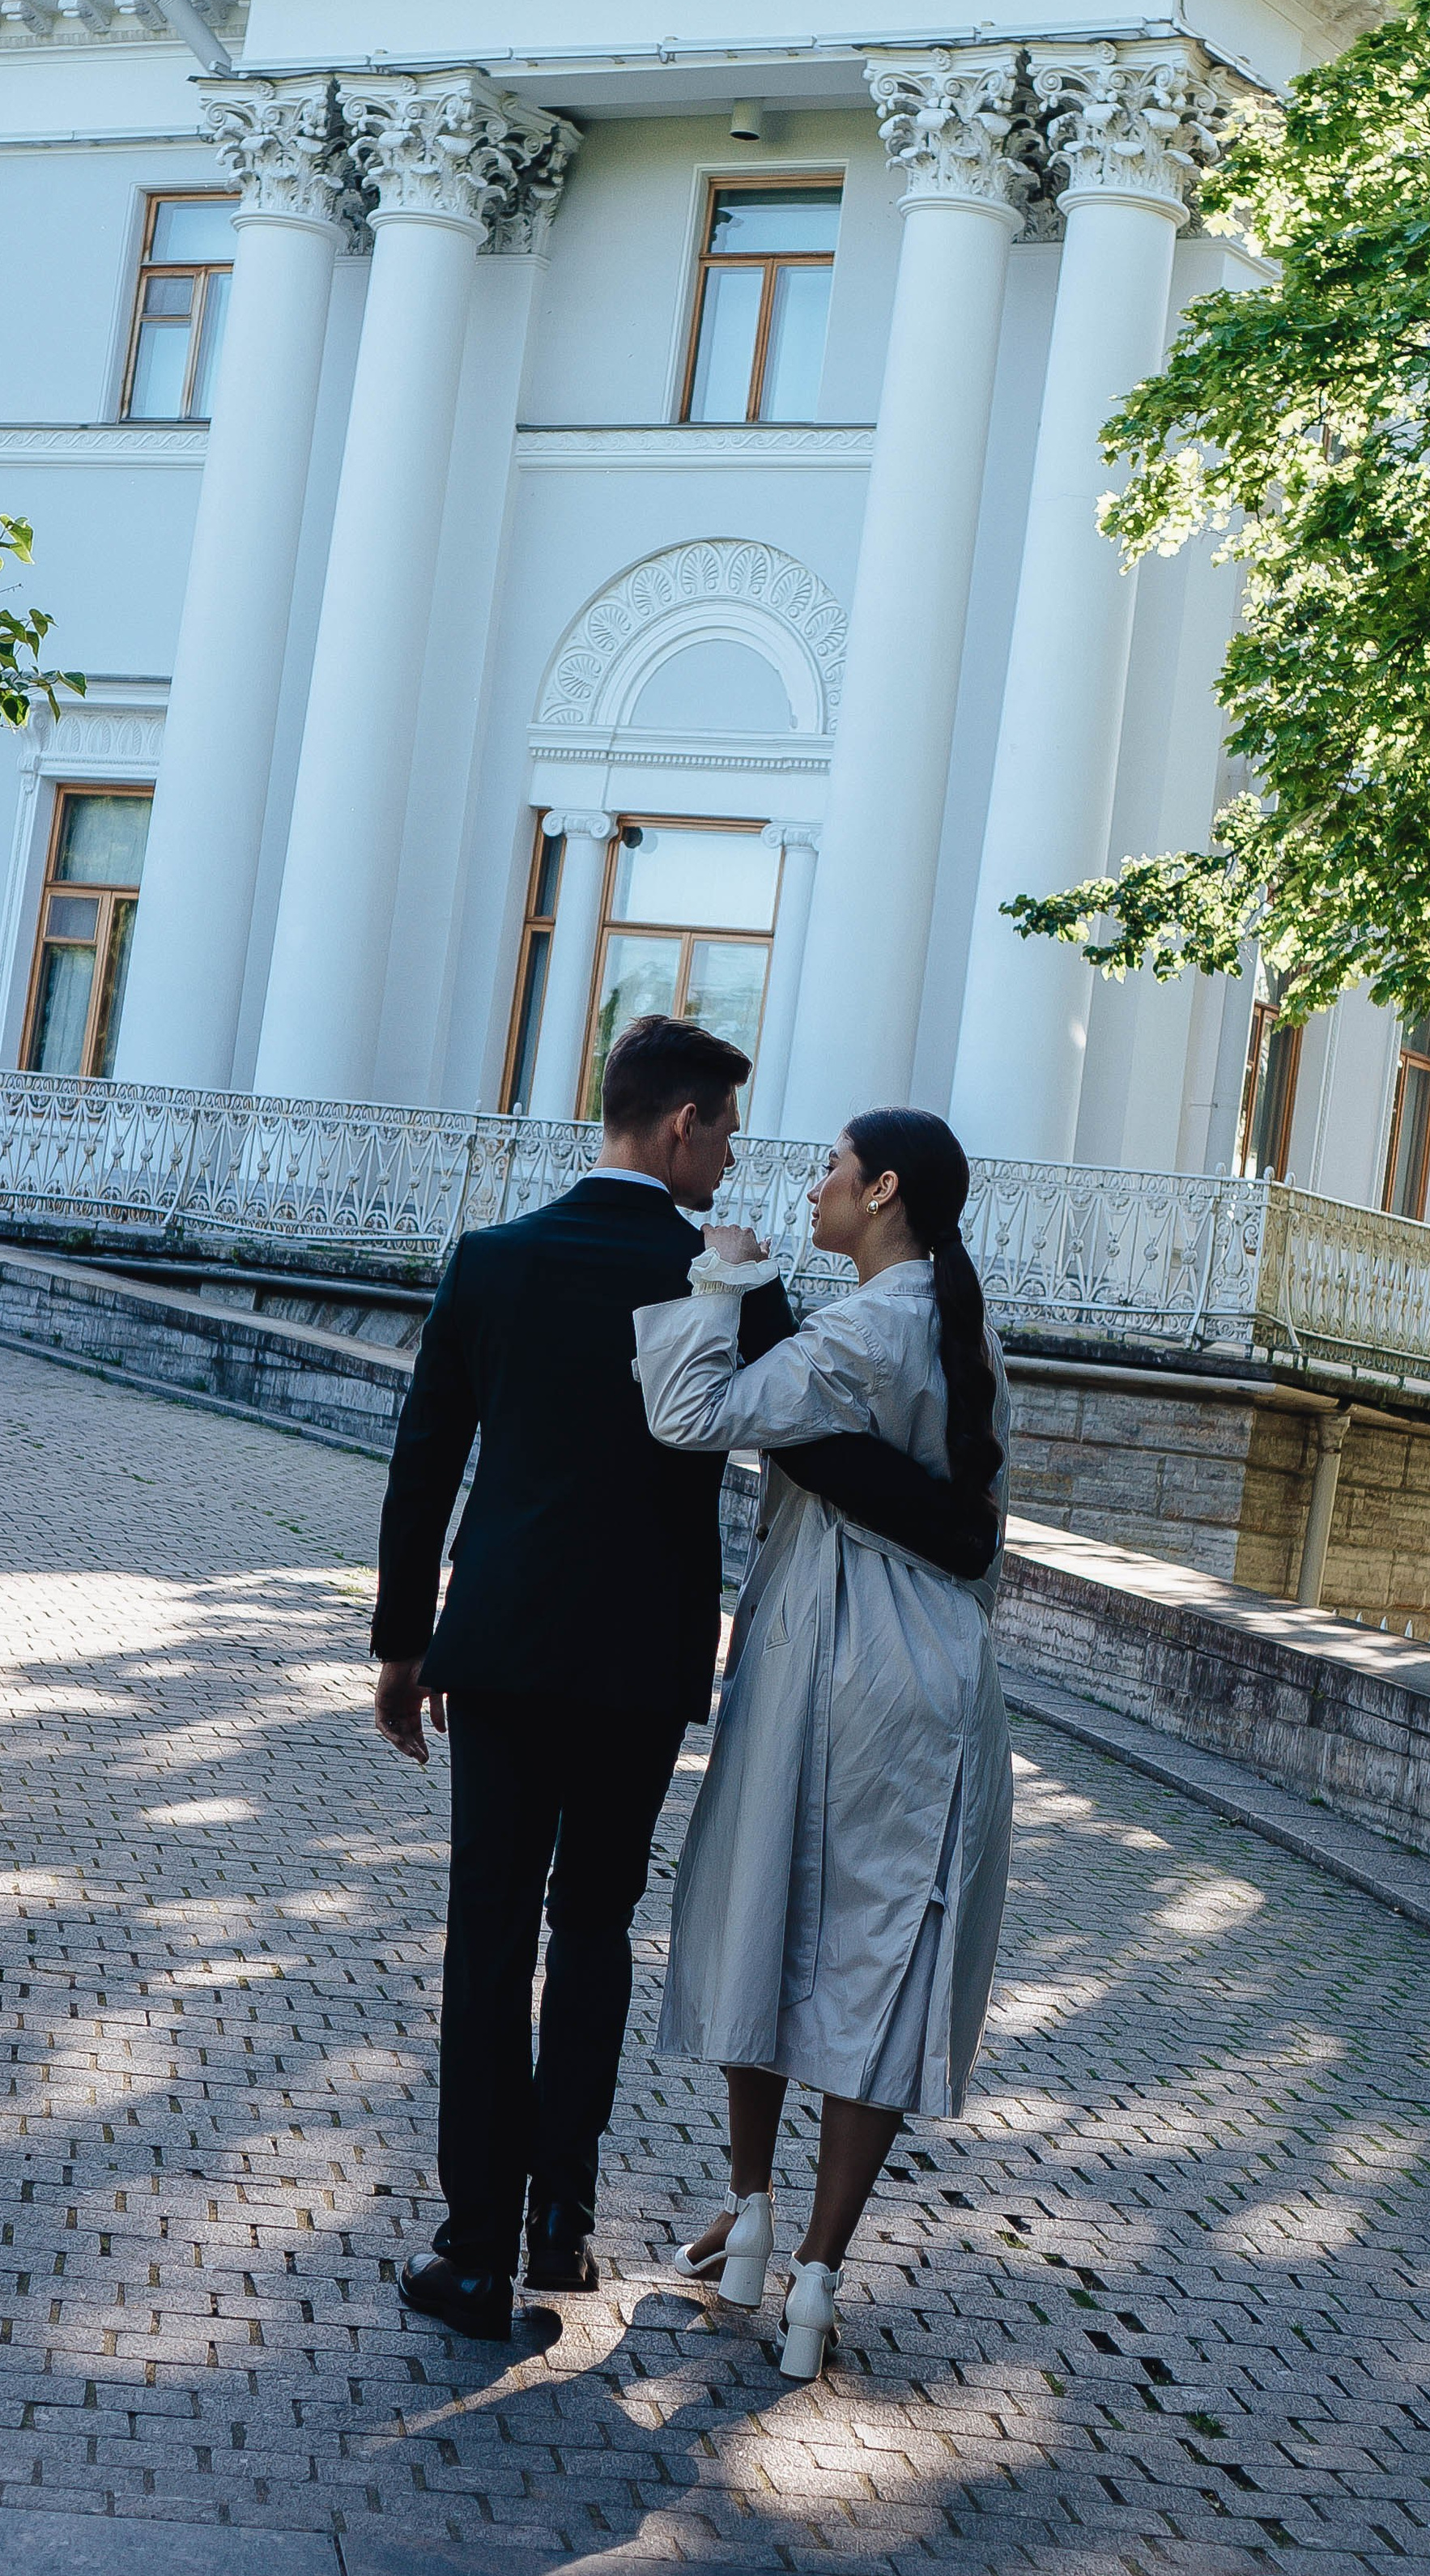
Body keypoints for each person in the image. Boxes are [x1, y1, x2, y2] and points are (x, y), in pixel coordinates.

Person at [370, 1017, 998, 2342]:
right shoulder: (735, 1281)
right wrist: (957, 1525)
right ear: (678, 1128)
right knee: (592, 1931)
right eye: (723, 1130)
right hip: (645, 1670)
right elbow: (815, 1446)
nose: (737, 1159)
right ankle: (564, 2226)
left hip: (499, 1654)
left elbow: (423, 1467)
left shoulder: (493, 1260)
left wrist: (402, 1642)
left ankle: (473, 2248)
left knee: (488, 1939)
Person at [632, 1106, 1013, 2382]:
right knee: (882, 1957)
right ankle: (812, 2279)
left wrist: (720, 1275)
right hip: (938, 1673)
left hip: (822, 1655)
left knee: (767, 1905)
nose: (810, 1189)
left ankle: (749, 2212)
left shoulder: (855, 1326)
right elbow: (982, 1528)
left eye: (832, 1171)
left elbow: (690, 1413)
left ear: (885, 1189)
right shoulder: (964, 1327)